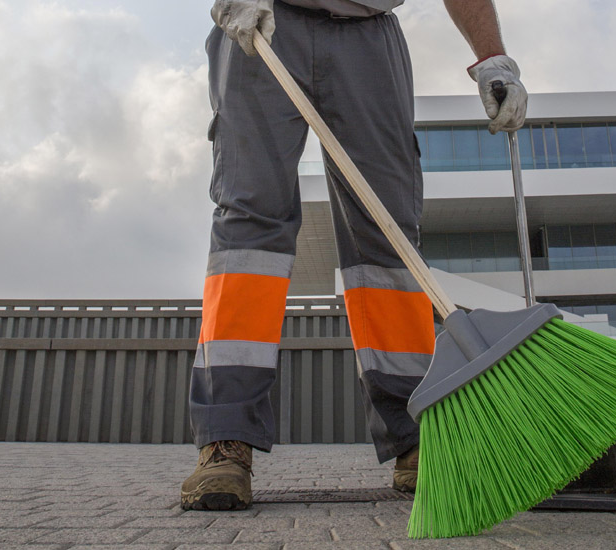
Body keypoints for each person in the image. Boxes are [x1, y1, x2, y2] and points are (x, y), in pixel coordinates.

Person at [181, 0, 527, 511]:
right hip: (267, 19)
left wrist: (493, 57)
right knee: (251, 221)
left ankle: (416, 432)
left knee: (388, 235)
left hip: (369, 35)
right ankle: (225, 439)